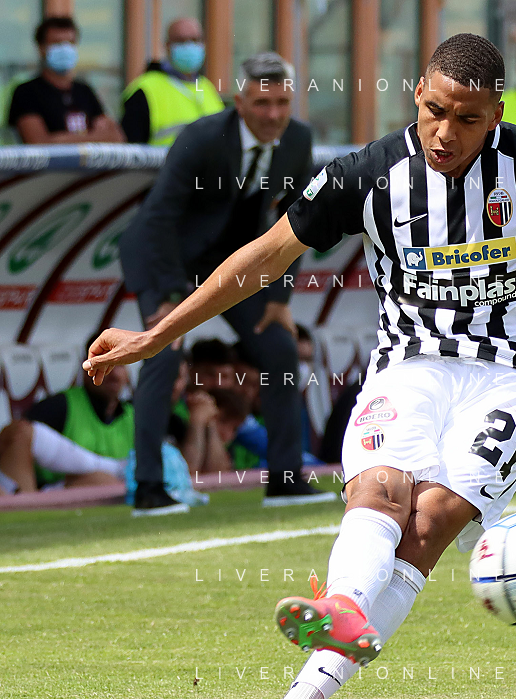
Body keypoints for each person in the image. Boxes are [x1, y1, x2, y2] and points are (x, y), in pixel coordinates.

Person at [83, 32, 516, 699]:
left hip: (512, 375)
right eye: (436, 111)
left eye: (468, 119)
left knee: (426, 526)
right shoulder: (366, 173)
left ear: (496, 114)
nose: (446, 132)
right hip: (409, 363)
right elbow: (259, 261)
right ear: (418, 94)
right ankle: (335, 618)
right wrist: (156, 336)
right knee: (378, 491)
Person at [117, 52, 323, 516]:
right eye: (262, 103)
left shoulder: (298, 139)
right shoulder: (202, 137)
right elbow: (159, 217)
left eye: (282, 103)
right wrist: (171, 299)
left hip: (230, 264)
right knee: (161, 352)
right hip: (166, 257)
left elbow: (298, 221)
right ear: (239, 101)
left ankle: (286, 480)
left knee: (279, 347)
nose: (273, 114)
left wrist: (279, 298)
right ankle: (148, 488)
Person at [0, 350, 130, 495]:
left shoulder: (136, 415)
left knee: (104, 481)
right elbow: (16, 437)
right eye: (104, 365)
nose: (113, 373)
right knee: (19, 432)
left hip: (100, 489)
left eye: (120, 365)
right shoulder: (60, 406)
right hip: (36, 489)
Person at [7, 16, 124, 144]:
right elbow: (39, 142)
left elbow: (116, 137)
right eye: (57, 43)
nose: (65, 49)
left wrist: (60, 139)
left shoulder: (84, 91)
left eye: (71, 43)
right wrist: (94, 137)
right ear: (41, 48)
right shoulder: (27, 92)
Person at [121, 16, 224, 146]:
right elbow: (131, 149)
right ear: (167, 46)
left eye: (195, 40)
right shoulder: (145, 89)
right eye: (181, 41)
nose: (189, 47)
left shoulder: (207, 87)